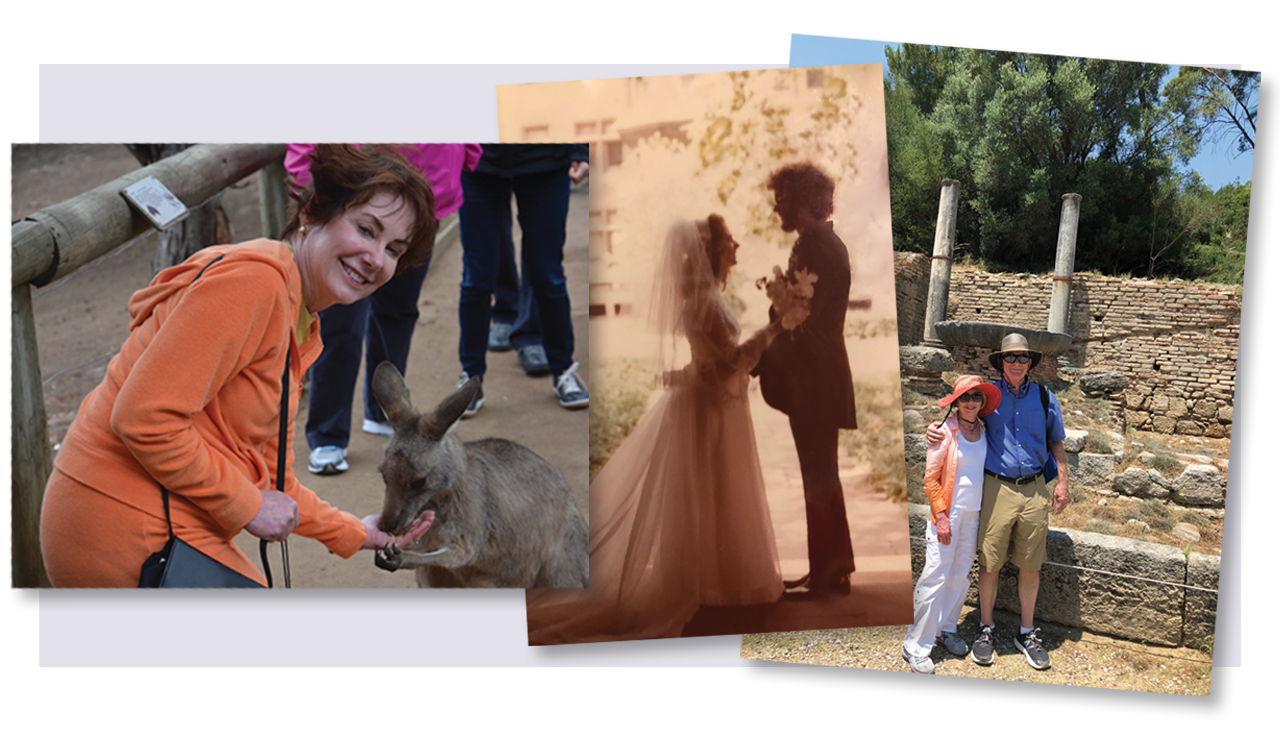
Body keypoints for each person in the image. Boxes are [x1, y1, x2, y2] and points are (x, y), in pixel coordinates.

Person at [40, 145, 437, 587]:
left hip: (166, 514)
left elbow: (275, 482)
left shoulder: (300, 320)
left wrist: (356, 532)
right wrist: (246, 505)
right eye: (366, 229)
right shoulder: (257, 283)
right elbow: (143, 418)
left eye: (394, 249)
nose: (376, 258)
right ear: (311, 212)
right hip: (118, 516)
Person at [525, 215, 788, 643]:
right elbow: (726, 365)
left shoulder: (705, 297)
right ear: (716, 251)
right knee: (714, 486)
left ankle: (714, 579)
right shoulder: (705, 299)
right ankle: (715, 585)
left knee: (713, 488)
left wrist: (690, 372)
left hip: (713, 405)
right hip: (713, 409)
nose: (736, 246)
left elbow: (706, 361)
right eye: (729, 242)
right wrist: (774, 329)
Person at [288, 144, 483, 475]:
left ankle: (386, 411)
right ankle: (328, 433)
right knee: (340, 320)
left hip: (427, 190)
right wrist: (309, 176)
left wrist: (466, 152)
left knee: (399, 310)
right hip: (356, 191)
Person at [925, 333, 1069, 669]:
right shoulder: (986, 395)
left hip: (1034, 489)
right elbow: (961, 418)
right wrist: (934, 431)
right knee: (990, 562)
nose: (1016, 363)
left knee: (1030, 564)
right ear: (1001, 362)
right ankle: (985, 628)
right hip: (997, 488)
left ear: (1030, 362)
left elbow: (1056, 442)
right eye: (1010, 357)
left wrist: (1062, 483)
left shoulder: (1046, 396)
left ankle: (1027, 631)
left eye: (1022, 358)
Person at [753, 161, 858, 597]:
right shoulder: (824, 242)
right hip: (821, 375)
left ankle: (829, 573)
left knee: (818, 475)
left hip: (816, 377)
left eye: (782, 198)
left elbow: (804, 323)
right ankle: (833, 567)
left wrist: (759, 352)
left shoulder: (815, 247)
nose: (777, 207)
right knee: (821, 473)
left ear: (799, 201)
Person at [455, 144, 589, 415]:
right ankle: (471, 379)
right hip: (478, 161)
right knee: (476, 279)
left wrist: (581, 150)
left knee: (547, 274)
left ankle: (563, 369)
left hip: (545, 158)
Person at [903, 375, 1001, 674]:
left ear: (982, 402)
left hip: (973, 515)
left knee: (959, 576)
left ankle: (947, 628)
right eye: (965, 397)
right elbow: (931, 479)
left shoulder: (983, 429)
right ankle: (916, 645)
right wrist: (941, 516)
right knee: (934, 577)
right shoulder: (944, 431)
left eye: (976, 397)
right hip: (948, 514)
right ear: (956, 402)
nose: (971, 402)